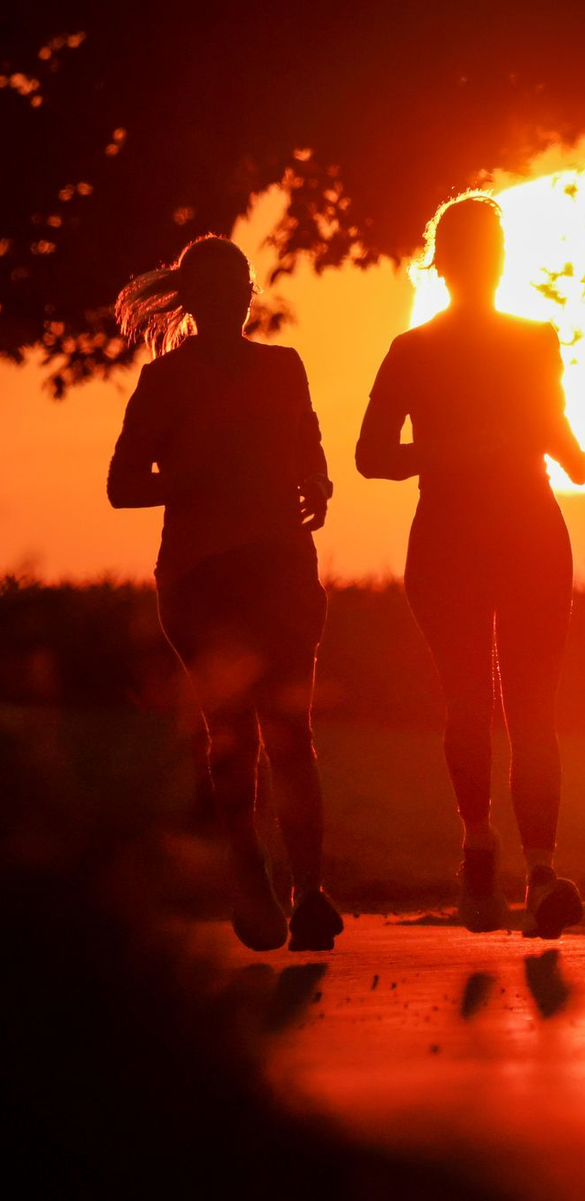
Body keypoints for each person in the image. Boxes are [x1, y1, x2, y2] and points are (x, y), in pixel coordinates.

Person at [357, 195, 585, 938]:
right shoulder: (435, 347)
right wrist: (545, 451)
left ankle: (504, 859)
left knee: (499, 706)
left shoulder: (431, 347)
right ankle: (515, 862)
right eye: (481, 249)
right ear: (463, 260)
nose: (486, 262)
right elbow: (368, 456)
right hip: (497, 531)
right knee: (512, 707)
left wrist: (564, 448)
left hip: (483, 532)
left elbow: (557, 432)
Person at [107, 235, 343, 953]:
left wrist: (319, 486)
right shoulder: (165, 382)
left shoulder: (284, 367)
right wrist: (193, 481)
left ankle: (309, 893)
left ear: (248, 292)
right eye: (207, 289)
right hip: (200, 573)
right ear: (190, 300)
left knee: (292, 733)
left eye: (235, 285)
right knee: (233, 735)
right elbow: (122, 485)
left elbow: (309, 448)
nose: (224, 299)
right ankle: (253, 881)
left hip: (279, 566)